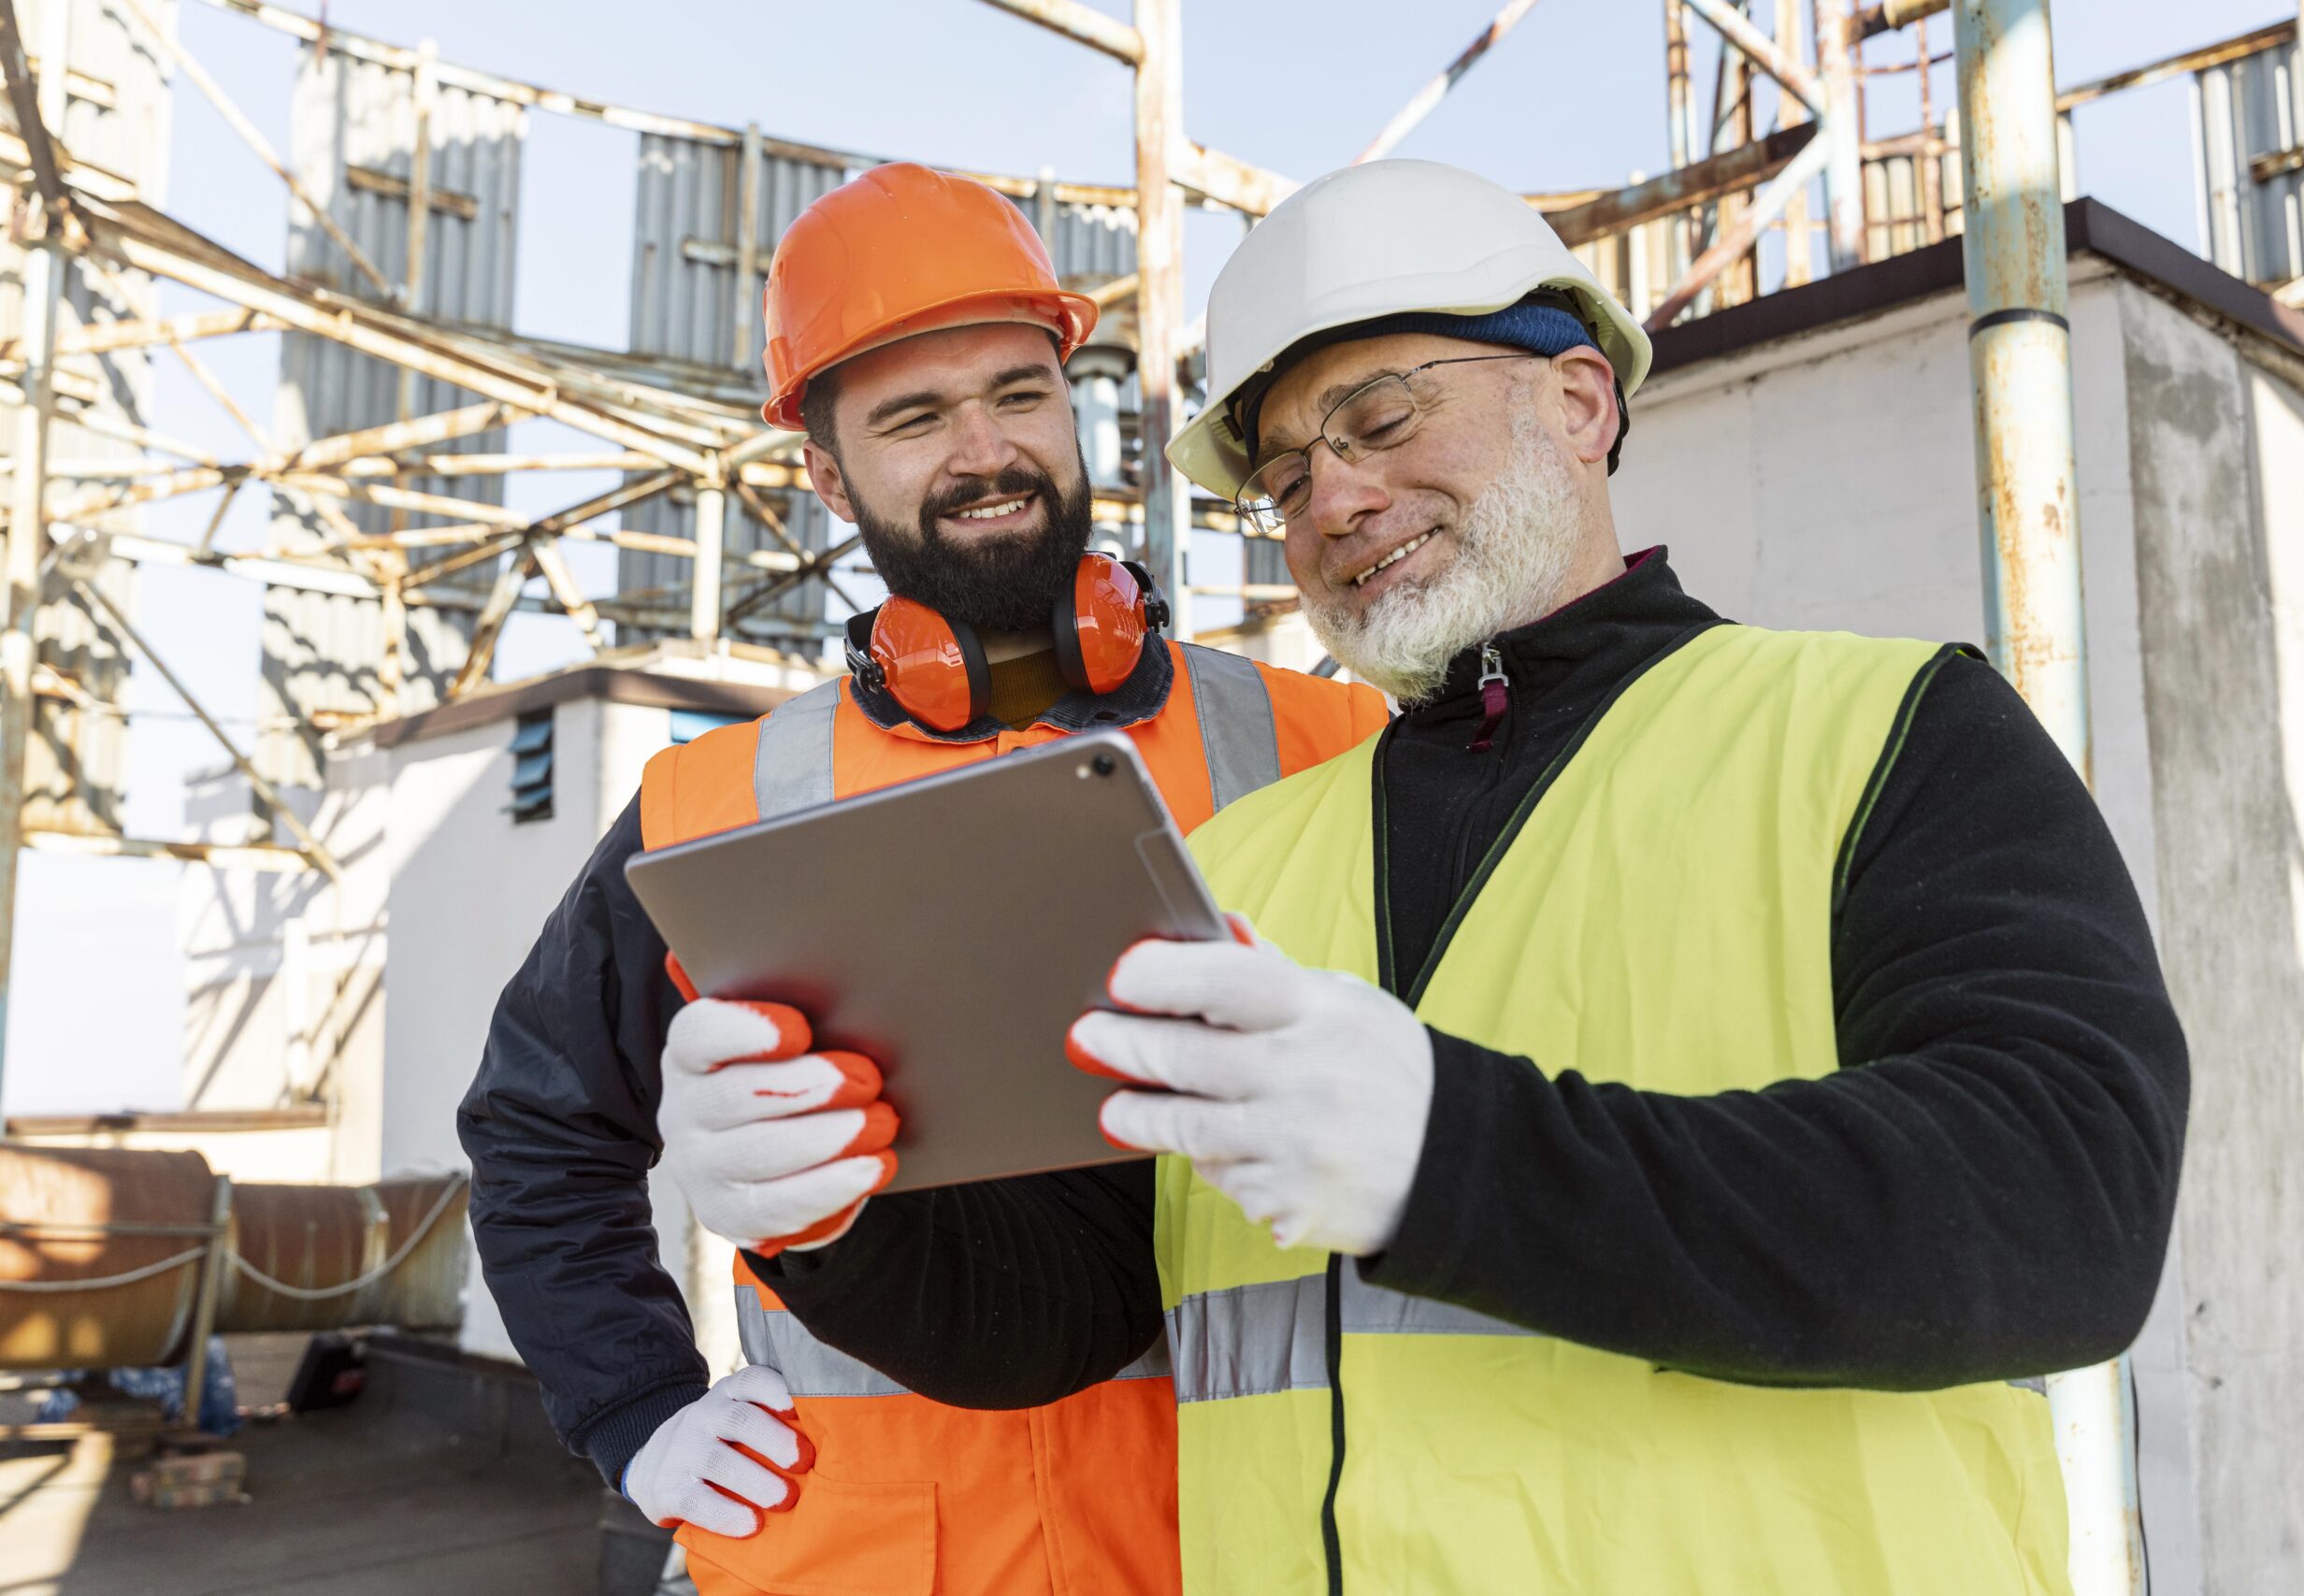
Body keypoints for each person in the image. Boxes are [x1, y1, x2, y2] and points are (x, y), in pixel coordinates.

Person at [756, 159, 2191, 1594]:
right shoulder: (1243, 859)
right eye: (1286, 478)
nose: (1335, 498)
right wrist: (830, 1211)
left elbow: (2069, 1201)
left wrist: (1454, 1160)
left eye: (1383, 419)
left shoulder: (1884, 732)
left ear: (1579, 400)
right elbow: (1073, 1304)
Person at [456, 162, 1386, 1596]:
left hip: (1246, 1548)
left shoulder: (1330, 742)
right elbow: (538, 1126)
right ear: (827, 475)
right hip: (876, 1560)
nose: (986, 449)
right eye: (914, 416)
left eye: (1020, 393)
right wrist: (632, 1405)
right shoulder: (715, 803)